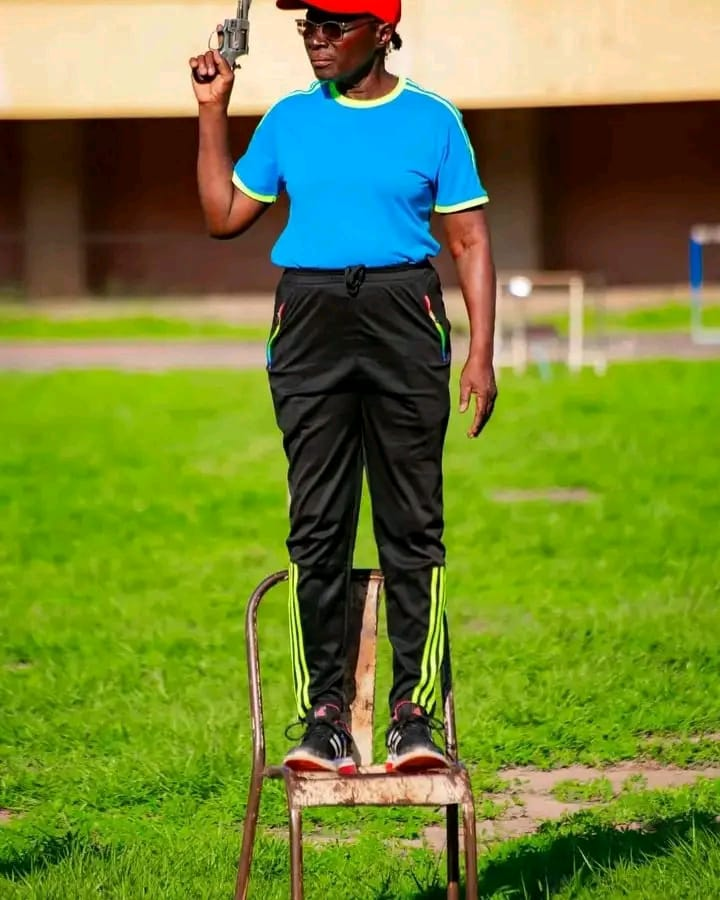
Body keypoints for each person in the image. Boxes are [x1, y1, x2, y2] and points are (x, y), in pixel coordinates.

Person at [189, 0, 497, 775]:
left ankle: (412, 715)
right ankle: (325, 716)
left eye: (334, 26)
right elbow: (224, 216)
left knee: (412, 527)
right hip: (310, 318)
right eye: (308, 28)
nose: (317, 41)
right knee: (317, 526)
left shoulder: (434, 120)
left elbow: (468, 238)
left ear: (383, 31)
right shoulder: (289, 120)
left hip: (404, 312)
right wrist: (211, 112)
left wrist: (482, 354)